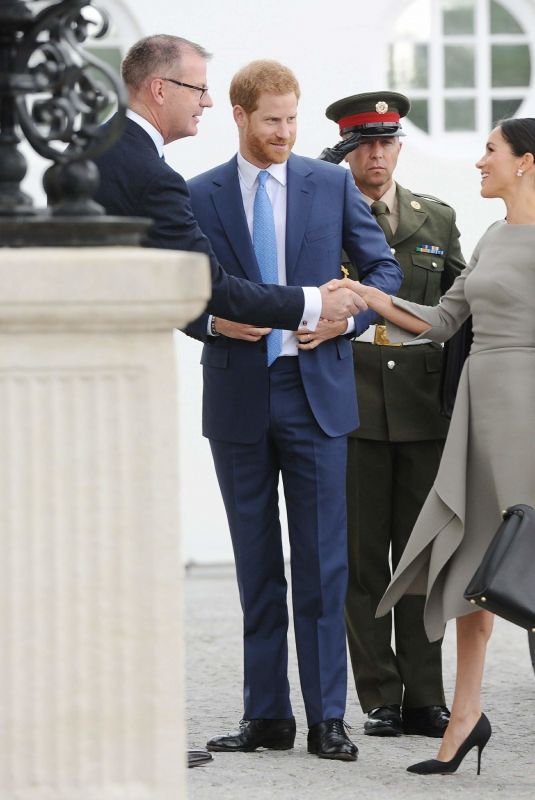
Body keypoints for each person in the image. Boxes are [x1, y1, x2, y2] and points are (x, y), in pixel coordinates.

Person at [186, 60, 402, 761]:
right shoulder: (198, 195)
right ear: (239, 116)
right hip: (238, 394)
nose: (284, 133)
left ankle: (326, 720)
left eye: (291, 120)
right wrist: (215, 325)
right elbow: (178, 293)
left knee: (320, 564)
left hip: (318, 394)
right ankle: (266, 718)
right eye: (271, 120)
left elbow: (383, 272)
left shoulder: (331, 183)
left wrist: (346, 322)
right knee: (255, 565)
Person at [338, 116, 535, 774]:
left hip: (528, 418)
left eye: (489, 151)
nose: (479, 161)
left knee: (529, 568)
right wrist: (366, 294)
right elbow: (440, 321)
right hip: (478, 419)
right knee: (473, 569)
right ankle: (463, 719)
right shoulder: (490, 235)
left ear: (525, 162)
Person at [322, 90, 465, 738]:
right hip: (348, 407)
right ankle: (379, 693)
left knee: (422, 558)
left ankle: (423, 697)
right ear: (347, 151)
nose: (375, 155)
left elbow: (460, 312)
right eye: (363, 144)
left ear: (398, 147)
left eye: (385, 143)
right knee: (360, 560)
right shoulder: (319, 215)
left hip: (421, 411)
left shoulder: (435, 218)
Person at [93, 34, 365, 334]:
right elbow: (208, 285)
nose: (207, 102)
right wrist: (315, 302)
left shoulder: (92, 147)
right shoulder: (156, 177)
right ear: (159, 89)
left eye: (291, 119)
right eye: (200, 89)